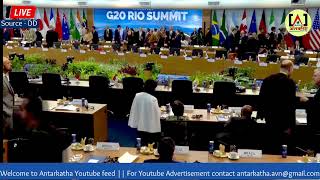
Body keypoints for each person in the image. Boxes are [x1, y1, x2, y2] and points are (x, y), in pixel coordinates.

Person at [10, 96, 70, 162]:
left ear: (31, 113)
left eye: (22, 109)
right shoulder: (43, 128)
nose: (18, 113)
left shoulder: (39, 137)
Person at [258, 60, 296, 153]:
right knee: (280, 144)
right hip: (283, 119)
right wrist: (291, 124)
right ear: (290, 69)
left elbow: (261, 98)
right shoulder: (290, 82)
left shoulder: (267, 79)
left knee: (270, 141)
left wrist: (261, 114)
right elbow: (291, 105)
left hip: (269, 117)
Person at [128, 79, 161, 146]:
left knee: (142, 141)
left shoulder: (137, 95)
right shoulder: (153, 99)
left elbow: (134, 109)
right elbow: (157, 114)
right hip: (150, 127)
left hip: (140, 125)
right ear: (153, 88)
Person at [300, 69, 320, 133]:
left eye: (315, 76)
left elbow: (316, 108)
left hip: (316, 122)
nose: (312, 77)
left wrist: (306, 100)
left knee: (298, 115)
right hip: (315, 118)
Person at [3, 56, 14, 138]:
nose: (11, 64)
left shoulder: (6, 77)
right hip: (4, 115)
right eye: (8, 63)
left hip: (8, 115)